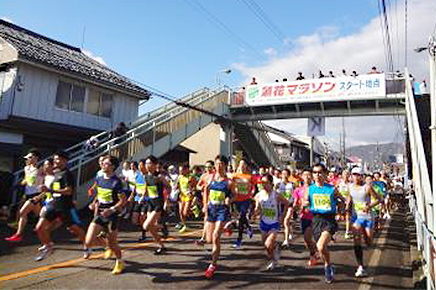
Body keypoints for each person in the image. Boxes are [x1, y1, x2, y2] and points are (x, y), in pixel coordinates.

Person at [35, 151, 85, 261]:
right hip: (53, 205)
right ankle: (49, 247)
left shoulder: (67, 174)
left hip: (65, 207)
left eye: (57, 159)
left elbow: (69, 191)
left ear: (64, 161)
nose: (54, 161)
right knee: (39, 228)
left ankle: (87, 245)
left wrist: (50, 190)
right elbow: (50, 188)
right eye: (54, 159)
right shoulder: (55, 173)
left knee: (74, 229)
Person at [83, 155, 127, 274]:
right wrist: (93, 202)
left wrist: (112, 209)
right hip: (100, 213)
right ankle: (106, 247)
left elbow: (123, 201)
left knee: (113, 243)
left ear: (113, 166)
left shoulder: (117, 182)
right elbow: (99, 194)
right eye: (103, 163)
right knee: (88, 241)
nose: (103, 165)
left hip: (112, 215)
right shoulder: (100, 178)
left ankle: (119, 261)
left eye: (106, 163)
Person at [304, 163, 344, 284]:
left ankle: (327, 266)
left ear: (325, 174)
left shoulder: (331, 188)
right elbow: (305, 201)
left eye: (320, 172)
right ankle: (328, 264)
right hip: (316, 220)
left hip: (329, 219)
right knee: (321, 248)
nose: (317, 175)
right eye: (315, 172)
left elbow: (342, 200)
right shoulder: (310, 189)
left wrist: (341, 211)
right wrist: (305, 204)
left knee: (320, 246)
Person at [346, 169, 382, 277]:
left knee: (368, 242)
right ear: (351, 176)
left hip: (367, 217)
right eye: (354, 175)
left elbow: (378, 199)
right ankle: (360, 266)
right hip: (356, 217)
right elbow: (349, 198)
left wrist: (369, 206)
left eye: (358, 175)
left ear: (361, 176)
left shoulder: (367, 187)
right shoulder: (350, 187)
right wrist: (347, 206)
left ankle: (368, 239)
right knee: (356, 239)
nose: (356, 177)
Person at [204, 155, 234, 279]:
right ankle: (229, 226)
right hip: (211, 209)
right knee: (209, 240)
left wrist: (229, 199)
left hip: (222, 210)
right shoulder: (210, 178)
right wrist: (205, 204)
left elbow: (234, 195)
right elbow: (205, 190)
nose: (218, 166)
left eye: (221, 164)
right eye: (216, 164)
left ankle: (213, 265)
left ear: (225, 165)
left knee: (216, 236)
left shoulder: (229, 181)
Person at [5, 149, 44, 242]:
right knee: (38, 214)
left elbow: (46, 180)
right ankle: (47, 224)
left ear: (36, 158)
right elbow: (26, 180)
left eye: (30, 157)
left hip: (36, 195)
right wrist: (19, 184)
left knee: (23, 212)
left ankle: (18, 234)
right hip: (27, 194)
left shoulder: (41, 168)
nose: (28, 159)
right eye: (27, 157)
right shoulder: (26, 168)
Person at [253, 174, 288, 270]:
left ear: (271, 184)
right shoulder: (259, 195)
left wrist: (282, 216)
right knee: (265, 244)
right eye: (262, 183)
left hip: (274, 223)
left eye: (266, 183)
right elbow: (258, 208)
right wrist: (255, 213)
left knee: (267, 244)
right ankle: (275, 247)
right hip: (264, 222)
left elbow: (286, 203)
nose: (264, 185)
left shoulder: (276, 195)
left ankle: (273, 260)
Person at [142, 155, 168, 254]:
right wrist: (142, 197)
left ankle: (162, 226)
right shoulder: (146, 176)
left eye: (149, 163)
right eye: (146, 163)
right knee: (151, 228)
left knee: (146, 226)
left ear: (155, 165)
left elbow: (169, 187)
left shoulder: (159, 177)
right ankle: (161, 246)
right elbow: (146, 187)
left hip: (158, 203)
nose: (147, 165)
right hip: (150, 203)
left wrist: (167, 201)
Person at [293, 168, 318, 266]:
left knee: (308, 237)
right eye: (305, 175)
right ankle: (314, 252)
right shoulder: (298, 190)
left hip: (315, 217)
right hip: (304, 216)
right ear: (301, 177)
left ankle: (313, 255)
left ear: (312, 177)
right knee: (307, 240)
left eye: (309, 175)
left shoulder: (315, 188)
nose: (307, 177)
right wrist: (294, 208)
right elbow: (296, 202)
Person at [230, 159, 254, 249]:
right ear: (238, 165)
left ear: (246, 166)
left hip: (246, 199)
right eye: (240, 164)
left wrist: (251, 193)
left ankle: (239, 240)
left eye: (243, 164)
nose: (242, 166)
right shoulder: (235, 176)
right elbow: (230, 184)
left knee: (241, 217)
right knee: (241, 217)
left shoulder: (249, 176)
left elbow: (253, 187)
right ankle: (249, 227)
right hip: (236, 199)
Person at [195, 160, 215, 245]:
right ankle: (206, 237)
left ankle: (204, 238)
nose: (208, 169)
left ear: (213, 167)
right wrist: (201, 187)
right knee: (207, 218)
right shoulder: (204, 176)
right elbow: (197, 186)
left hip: (213, 199)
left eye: (209, 167)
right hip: (205, 198)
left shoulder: (215, 176)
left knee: (208, 218)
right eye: (206, 167)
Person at [277, 169, 294, 248]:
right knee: (282, 222)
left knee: (286, 220)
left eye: (286, 174)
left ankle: (286, 241)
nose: (284, 175)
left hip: (290, 204)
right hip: (281, 205)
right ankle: (289, 230)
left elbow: (295, 195)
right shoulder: (278, 184)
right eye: (283, 174)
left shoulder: (292, 184)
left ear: (289, 175)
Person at [177, 164, 195, 233]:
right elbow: (178, 185)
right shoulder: (180, 177)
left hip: (188, 196)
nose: (180, 172)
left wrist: (191, 192)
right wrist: (179, 192)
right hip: (182, 196)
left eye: (182, 170)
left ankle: (193, 209)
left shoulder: (190, 177)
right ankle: (184, 225)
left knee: (185, 212)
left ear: (186, 170)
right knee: (180, 212)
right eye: (179, 171)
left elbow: (194, 186)